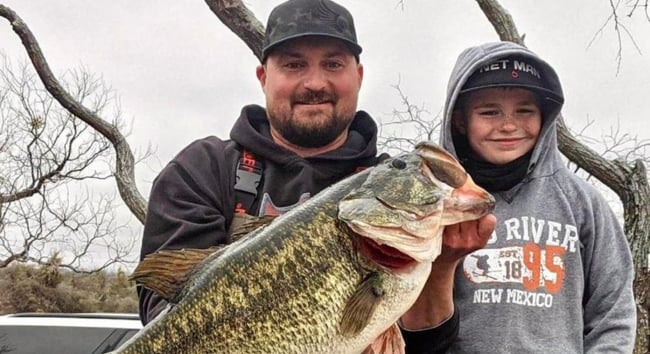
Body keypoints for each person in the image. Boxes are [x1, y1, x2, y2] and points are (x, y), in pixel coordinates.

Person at [136, 0, 495, 353]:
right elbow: (166, 315)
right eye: (294, 65)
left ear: (359, 75)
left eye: (333, 64)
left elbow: (424, 347)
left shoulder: (384, 183)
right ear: (263, 77)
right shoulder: (202, 169)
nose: (314, 82)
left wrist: (442, 265)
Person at [437, 41, 636, 353]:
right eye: (489, 112)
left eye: (525, 111)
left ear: (545, 117)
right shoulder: (438, 202)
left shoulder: (582, 202)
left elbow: (613, 313)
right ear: (460, 120)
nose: (508, 125)